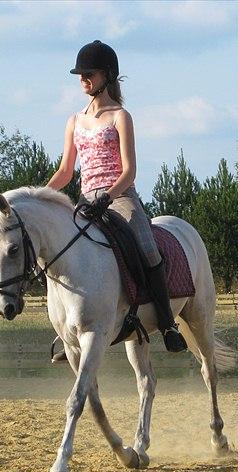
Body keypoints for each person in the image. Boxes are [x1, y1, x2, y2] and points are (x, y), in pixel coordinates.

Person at [46, 40, 187, 353]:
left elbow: (129, 171)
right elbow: (66, 171)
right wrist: (41, 195)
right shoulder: (74, 121)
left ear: (107, 76)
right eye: (80, 75)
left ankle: (167, 324)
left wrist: (107, 197)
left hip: (119, 196)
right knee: (63, 251)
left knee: (149, 250)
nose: (83, 79)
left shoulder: (120, 116)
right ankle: (67, 328)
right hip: (84, 199)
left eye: (89, 74)